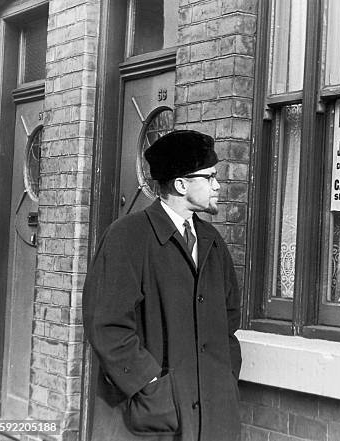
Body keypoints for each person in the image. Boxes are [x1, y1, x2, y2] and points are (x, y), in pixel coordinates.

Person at [83, 130, 242, 441]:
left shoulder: (213, 242)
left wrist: (225, 378)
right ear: (181, 185)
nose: (218, 185)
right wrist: (149, 384)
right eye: (209, 177)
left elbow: (229, 321)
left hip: (214, 413)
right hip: (155, 414)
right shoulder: (127, 237)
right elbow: (107, 326)